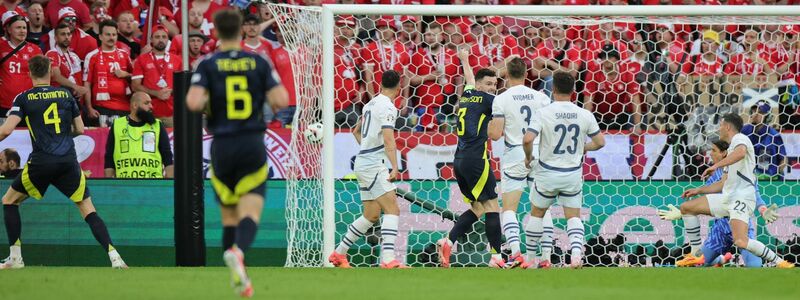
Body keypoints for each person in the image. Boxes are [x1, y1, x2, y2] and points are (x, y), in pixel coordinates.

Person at [186, 9, 289, 297]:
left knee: (229, 216)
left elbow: (193, 102)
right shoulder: (257, 61)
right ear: (242, 31)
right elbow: (281, 99)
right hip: (251, 143)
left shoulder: (207, 63)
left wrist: (212, 102)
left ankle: (234, 267)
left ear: (216, 32)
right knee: (251, 213)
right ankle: (238, 251)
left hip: (221, 145)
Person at [0, 55, 126, 269]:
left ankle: (15, 258)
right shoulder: (66, 94)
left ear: (29, 73)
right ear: (50, 72)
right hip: (68, 160)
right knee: (88, 209)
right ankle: (115, 257)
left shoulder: (23, 98)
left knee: (9, 201)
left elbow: (6, 130)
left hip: (41, 161)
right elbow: (79, 129)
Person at [657, 113, 794, 269]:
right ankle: (695, 254)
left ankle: (780, 262)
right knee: (687, 208)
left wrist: (717, 165)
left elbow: (741, 153)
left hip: (740, 200)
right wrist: (697, 190)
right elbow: (722, 183)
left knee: (742, 242)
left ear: (728, 126)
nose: (719, 128)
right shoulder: (730, 152)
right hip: (727, 203)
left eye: (721, 125)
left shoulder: (740, 139)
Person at [522, 71, 606, 269]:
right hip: (571, 174)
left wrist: (528, 158)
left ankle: (531, 259)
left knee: (537, 213)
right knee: (573, 216)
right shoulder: (585, 114)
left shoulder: (543, 113)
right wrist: (582, 148)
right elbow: (600, 142)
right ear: (573, 91)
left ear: (553, 89)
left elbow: (527, 139)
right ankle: (576, 257)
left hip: (547, 172)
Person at [328, 70, 407, 269]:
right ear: (399, 88)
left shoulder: (370, 104)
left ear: (380, 85)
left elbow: (355, 131)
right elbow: (389, 138)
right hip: (372, 163)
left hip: (363, 161)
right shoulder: (388, 107)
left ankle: (339, 254)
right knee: (393, 209)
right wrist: (395, 167)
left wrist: (366, 149)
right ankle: (388, 259)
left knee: (371, 214)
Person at [436, 48, 505, 269]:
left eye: (495, 85)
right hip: (477, 160)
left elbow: (469, 79)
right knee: (493, 206)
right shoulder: (490, 101)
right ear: (480, 85)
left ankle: (448, 240)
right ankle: (496, 257)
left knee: (478, 208)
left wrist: (464, 59)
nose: (492, 88)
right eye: (488, 84)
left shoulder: (467, 94)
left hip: (460, 160)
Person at [665, 140, 778, 267]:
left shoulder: (744, 171)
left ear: (724, 153)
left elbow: (756, 195)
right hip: (720, 228)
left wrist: (763, 210)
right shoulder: (714, 176)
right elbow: (708, 203)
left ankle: (778, 263)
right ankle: (721, 260)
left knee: (754, 266)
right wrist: (682, 212)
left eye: (714, 150)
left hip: (740, 224)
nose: (710, 154)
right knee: (700, 262)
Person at [487, 56, 551, 268]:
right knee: (543, 207)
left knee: (509, 209)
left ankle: (516, 253)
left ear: (506, 72)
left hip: (515, 154)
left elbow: (495, 134)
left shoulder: (501, 99)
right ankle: (546, 257)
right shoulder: (541, 97)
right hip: (540, 153)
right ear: (526, 73)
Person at [104, 92, 174, 179]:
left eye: (151, 103)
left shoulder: (157, 125)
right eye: (146, 103)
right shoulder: (117, 125)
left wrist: (171, 183)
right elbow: (109, 156)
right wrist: (108, 183)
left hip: (153, 184)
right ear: (135, 105)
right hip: (124, 184)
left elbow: (167, 156)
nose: (151, 106)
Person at [83, 19, 133, 128]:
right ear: (100, 36)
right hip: (102, 108)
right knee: (105, 141)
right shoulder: (92, 56)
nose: (111, 37)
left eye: (114, 34)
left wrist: (126, 75)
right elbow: (87, 84)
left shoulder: (125, 55)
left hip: (124, 108)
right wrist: (89, 108)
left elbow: (136, 78)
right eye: (108, 34)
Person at [132, 25, 181, 127]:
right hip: (148, 113)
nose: (161, 40)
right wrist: (156, 93)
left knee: (171, 142)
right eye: (157, 37)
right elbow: (135, 86)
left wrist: (171, 91)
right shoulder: (141, 59)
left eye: (164, 37)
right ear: (151, 39)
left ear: (168, 39)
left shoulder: (177, 60)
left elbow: (183, 86)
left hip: (172, 114)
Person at [0, 11, 42, 120]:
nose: (22, 31)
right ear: (9, 30)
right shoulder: (1, 47)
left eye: (24, 28)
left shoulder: (35, 50)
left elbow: (43, 76)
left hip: (28, 104)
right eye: (18, 28)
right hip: (4, 104)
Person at [742, 101, 786, 180]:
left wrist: (778, 175)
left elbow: (783, 159)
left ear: (768, 117)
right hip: (747, 179)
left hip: (769, 180)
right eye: (754, 111)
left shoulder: (774, 135)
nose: (755, 114)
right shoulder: (744, 131)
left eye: (760, 112)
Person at [45, 23, 89, 98]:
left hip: (74, 98)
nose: (67, 37)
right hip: (58, 99)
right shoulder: (52, 54)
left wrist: (79, 90)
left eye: (69, 34)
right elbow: (56, 76)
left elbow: (78, 78)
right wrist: (75, 87)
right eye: (63, 34)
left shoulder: (74, 56)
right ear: (55, 38)